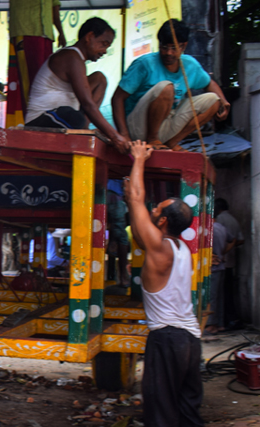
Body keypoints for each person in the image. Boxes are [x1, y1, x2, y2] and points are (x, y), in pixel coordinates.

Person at [124, 140, 217, 427]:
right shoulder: (182, 250)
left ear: (161, 220)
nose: (151, 209)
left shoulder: (159, 248)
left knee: (161, 410)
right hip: (190, 341)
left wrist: (138, 159)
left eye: (157, 209)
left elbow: (134, 197)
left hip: (166, 339)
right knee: (188, 409)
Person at [112, 19, 229, 152]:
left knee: (214, 100)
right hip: (137, 129)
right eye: (164, 47)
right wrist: (124, 135)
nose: (168, 53)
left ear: (183, 46)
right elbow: (117, 98)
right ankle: (153, 139)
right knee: (167, 87)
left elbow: (209, 83)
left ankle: (172, 142)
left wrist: (224, 102)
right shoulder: (144, 64)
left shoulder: (190, 65)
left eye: (174, 48)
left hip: (166, 124)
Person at [25, 17, 131, 155]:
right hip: (41, 120)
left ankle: (84, 128)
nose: (104, 51)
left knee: (99, 79)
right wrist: (116, 137)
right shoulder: (71, 57)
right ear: (90, 36)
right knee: (74, 117)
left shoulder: (76, 58)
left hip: (60, 117)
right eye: (103, 44)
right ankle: (84, 129)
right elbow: (87, 104)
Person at [7, 0, 67, 120]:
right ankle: (31, 120)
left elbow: (55, 9)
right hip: (25, 29)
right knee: (28, 80)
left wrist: (61, 32)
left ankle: (43, 119)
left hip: (46, 35)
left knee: (45, 80)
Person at [213, 198, 244, 329]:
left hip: (216, 263)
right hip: (228, 263)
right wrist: (225, 251)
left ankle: (214, 324)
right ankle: (224, 322)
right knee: (224, 294)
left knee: (214, 295)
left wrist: (220, 252)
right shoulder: (233, 220)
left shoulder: (217, 222)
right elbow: (240, 240)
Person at [106, 179, 130, 287]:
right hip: (113, 192)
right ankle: (123, 276)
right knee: (121, 234)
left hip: (108, 190)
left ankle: (112, 242)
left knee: (117, 230)